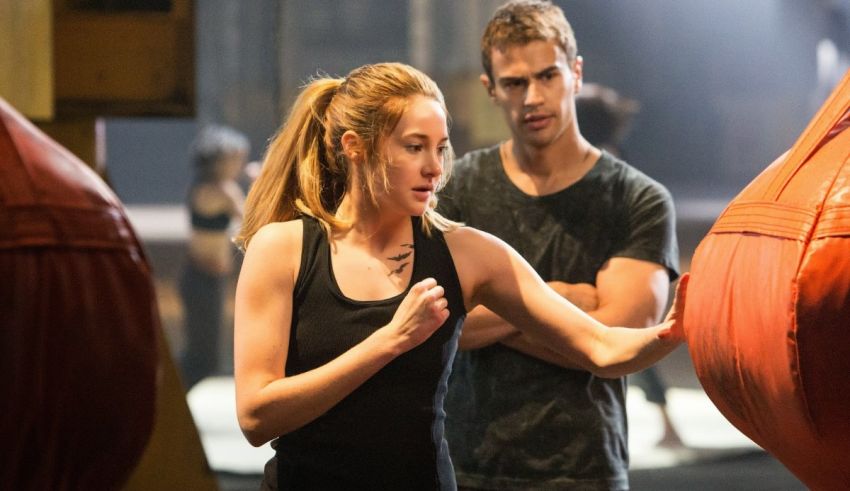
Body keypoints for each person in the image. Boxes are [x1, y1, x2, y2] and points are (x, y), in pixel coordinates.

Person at [232, 61, 686, 490]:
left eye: (440, 148)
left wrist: (672, 332)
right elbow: (256, 418)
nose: (434, 167)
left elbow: (602, 348)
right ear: (355, 147)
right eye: (414, 147)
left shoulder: (466, 252)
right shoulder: (283, 248)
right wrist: (389, 342)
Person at [437, 2, 680, 489]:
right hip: (466, 467)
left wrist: (490, 299)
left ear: (575, 73)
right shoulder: (455, 188)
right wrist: (574, 303)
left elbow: (620, 338)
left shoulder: (637, 199)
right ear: (491, 89)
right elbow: (438, 325)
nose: (532, 97)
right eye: (514, 83)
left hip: (585, 468)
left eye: (547, 76)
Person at [576, 82, 687, 450]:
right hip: (616, 260)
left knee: (623, 345)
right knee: (622, 348)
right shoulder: (611, 153)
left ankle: (662, 426)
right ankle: (663, 425)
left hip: (610, 263)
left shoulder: (597, 162)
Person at [179, 124, 250, 389]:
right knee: (202, 359)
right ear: (219, 160)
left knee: (202, 355)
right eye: (234, 159)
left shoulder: (200, 185)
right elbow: (250, 220)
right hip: (203, 279)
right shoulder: (221, 190)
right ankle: (169, 404)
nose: (238, 165)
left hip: (202, 278)